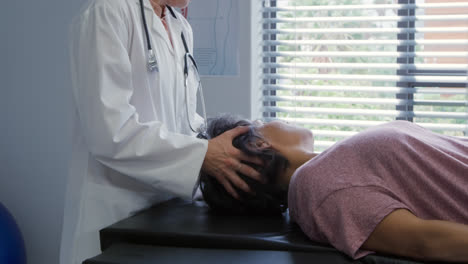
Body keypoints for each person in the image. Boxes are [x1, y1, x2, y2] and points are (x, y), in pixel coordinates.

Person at [62, 1, 262, 263]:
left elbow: (183, 120)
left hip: (166, 213)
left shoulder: (181, 27)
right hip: (114, 210)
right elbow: (110, 133)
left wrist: (232, 138)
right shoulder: (108, 12)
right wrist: (202, 156)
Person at [199, 115, 468, 262]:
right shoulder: (318, 188)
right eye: (259, 123)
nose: (270, 118)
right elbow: (425, 242)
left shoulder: (328, 168)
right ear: (259, 146)